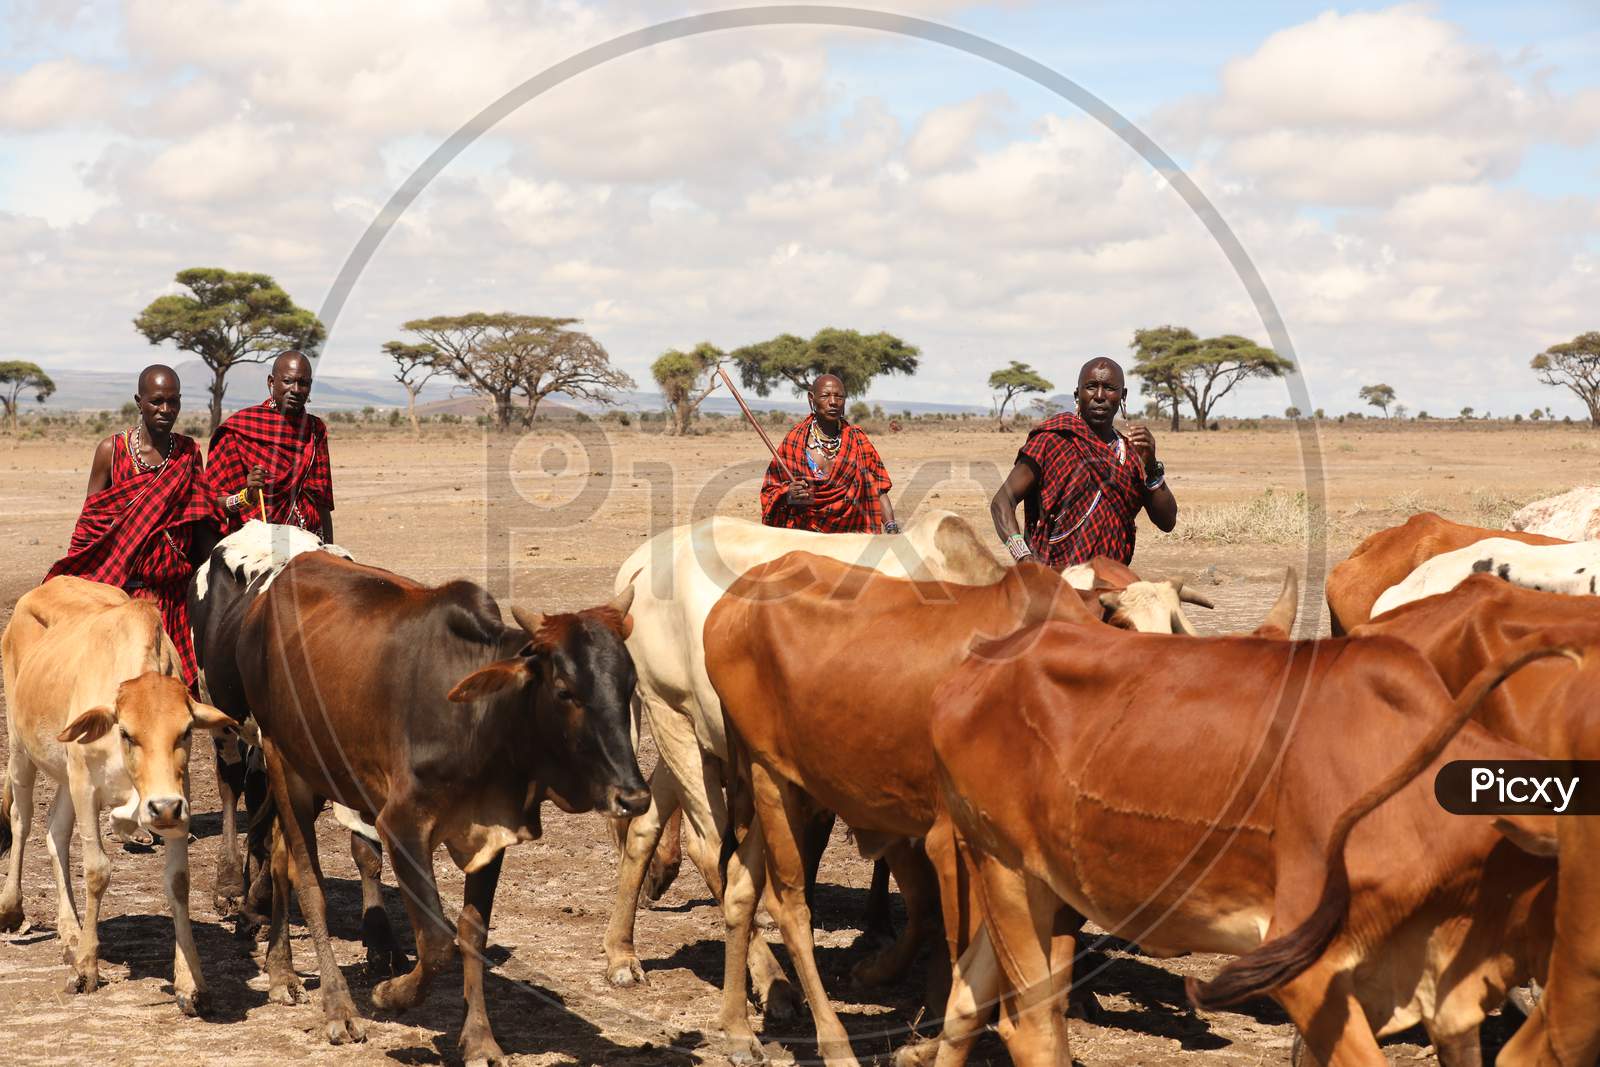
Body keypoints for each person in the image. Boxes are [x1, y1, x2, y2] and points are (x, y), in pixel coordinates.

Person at [45, 365, 217, 688]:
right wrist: (78, 590)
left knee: (174, 696)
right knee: (120, 688)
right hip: (121, 597)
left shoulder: (189, 453)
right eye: (156, 401)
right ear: (139, 402)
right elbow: (89, 530)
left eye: (173, 402)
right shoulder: (111, 453)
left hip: (173, 598)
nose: (166, 410)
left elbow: (199, 520)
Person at [990, 356, 1177, 569]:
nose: (1099, 396)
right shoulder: (1052, 441)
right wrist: (1024, 558)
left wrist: (1151, 465)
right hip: (1054, 583)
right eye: (1090, 387)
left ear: (1122, 395)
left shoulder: (1132, 455)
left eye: (1109, 388)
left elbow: (1167, 522)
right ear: (1077, 395)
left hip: (1110, 587)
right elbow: (1001, 502)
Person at [205, 350, 334, 540]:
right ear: (271, 382)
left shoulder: (315, 430)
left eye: (303, 383)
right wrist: (245, 496)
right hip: (254, 548)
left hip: (309, 539)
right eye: (288, 381)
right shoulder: (239, 429)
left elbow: (322, 503)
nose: (296, 389)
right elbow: (213, 504)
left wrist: (329, 550)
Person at [759, 373, 899, 534]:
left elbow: (878, 488)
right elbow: (770, 492)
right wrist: (788, 493)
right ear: (811, 398)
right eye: (825, 396)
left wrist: (891, 527)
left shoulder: (857, 440)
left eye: (839, 396)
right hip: (806, 537)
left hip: (851, 537)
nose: (833, 402)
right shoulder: (794, 441)